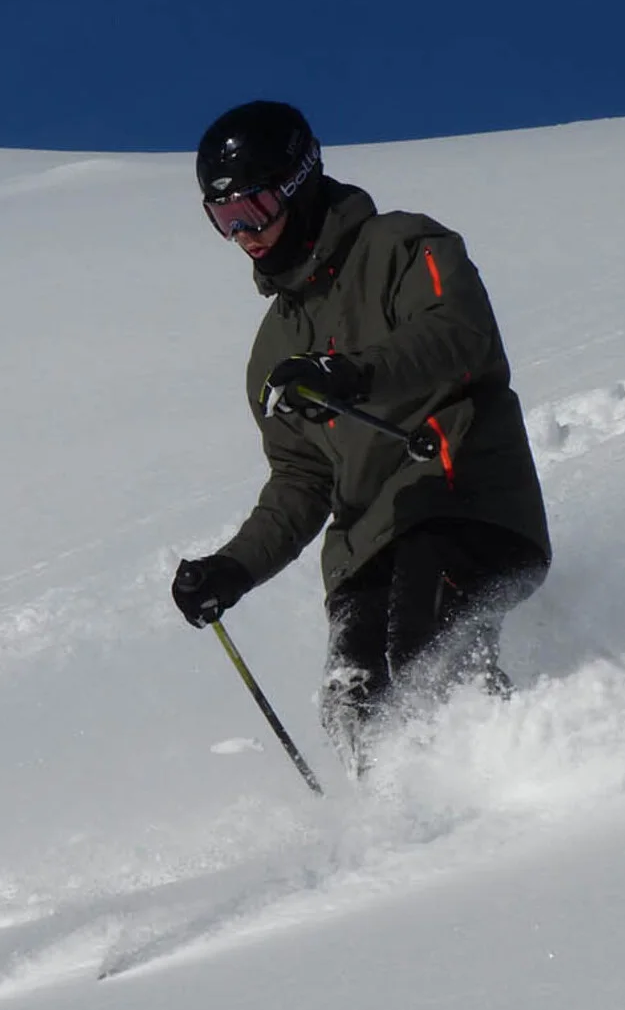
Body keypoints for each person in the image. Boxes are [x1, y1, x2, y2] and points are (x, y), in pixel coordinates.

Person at [171, 100, 551, 778]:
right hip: (360, 553)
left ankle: (515, 796)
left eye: (252, 208)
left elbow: (459, 335)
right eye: (223, 219)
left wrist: (350, 372)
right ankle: (401, 839)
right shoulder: (273, 350)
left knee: (425, 656)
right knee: (357, 705)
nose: (245, 235)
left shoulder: (403, 246)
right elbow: (301, 479)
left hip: (457, 496)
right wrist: (235, 567)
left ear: (297, 180)